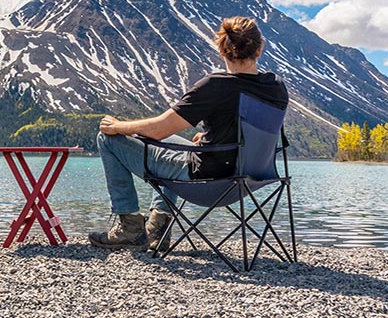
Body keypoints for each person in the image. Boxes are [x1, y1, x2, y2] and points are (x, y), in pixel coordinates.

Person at [89, 16, 288, 251]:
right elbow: (247, 130)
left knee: (108, 139)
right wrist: (210, 139)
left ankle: (130, 226)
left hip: (207, 180)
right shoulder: (276, 86)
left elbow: (158, 130)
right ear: (260, 49)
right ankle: (158, 227)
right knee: (172, 145)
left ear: (222, 51)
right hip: (250, 177)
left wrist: (118, 126)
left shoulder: (215, 86)